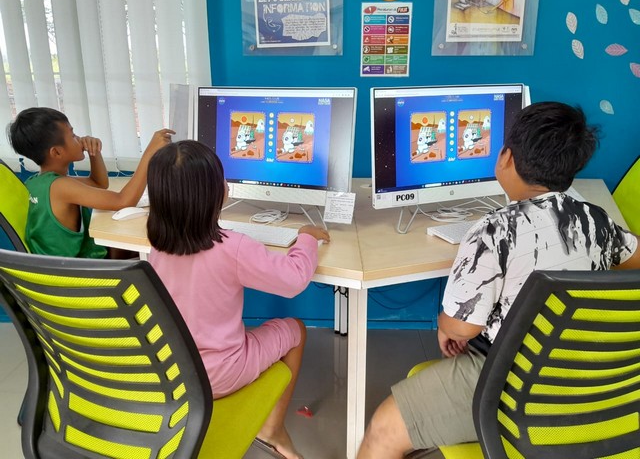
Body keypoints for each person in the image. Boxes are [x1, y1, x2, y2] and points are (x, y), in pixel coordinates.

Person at [357, 101, 640, 459]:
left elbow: (463, 329)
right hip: (602, 380)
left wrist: (446, 325)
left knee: (383, 430)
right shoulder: (594, 219)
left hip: (519, 384)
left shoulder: (493, 232)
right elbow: (633, 258)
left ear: (506, 157)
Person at [146, 140, 330, 459]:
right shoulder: (233, 247)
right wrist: (306, 237)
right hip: (221, 374)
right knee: (296, 330)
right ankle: (273, 429)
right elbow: (294, 280)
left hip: (171, 372)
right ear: (216, 193)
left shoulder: (156, 249)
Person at [7, 107, 173, 258]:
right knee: (157, 254)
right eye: (73, 135)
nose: (79, 139)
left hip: (61, 267)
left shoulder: (38, 182)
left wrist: (94, 153)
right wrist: (149, 154)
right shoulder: (60, 187)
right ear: (56, 152)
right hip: (77, 272)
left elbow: (98, 183)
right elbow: (123, 201)